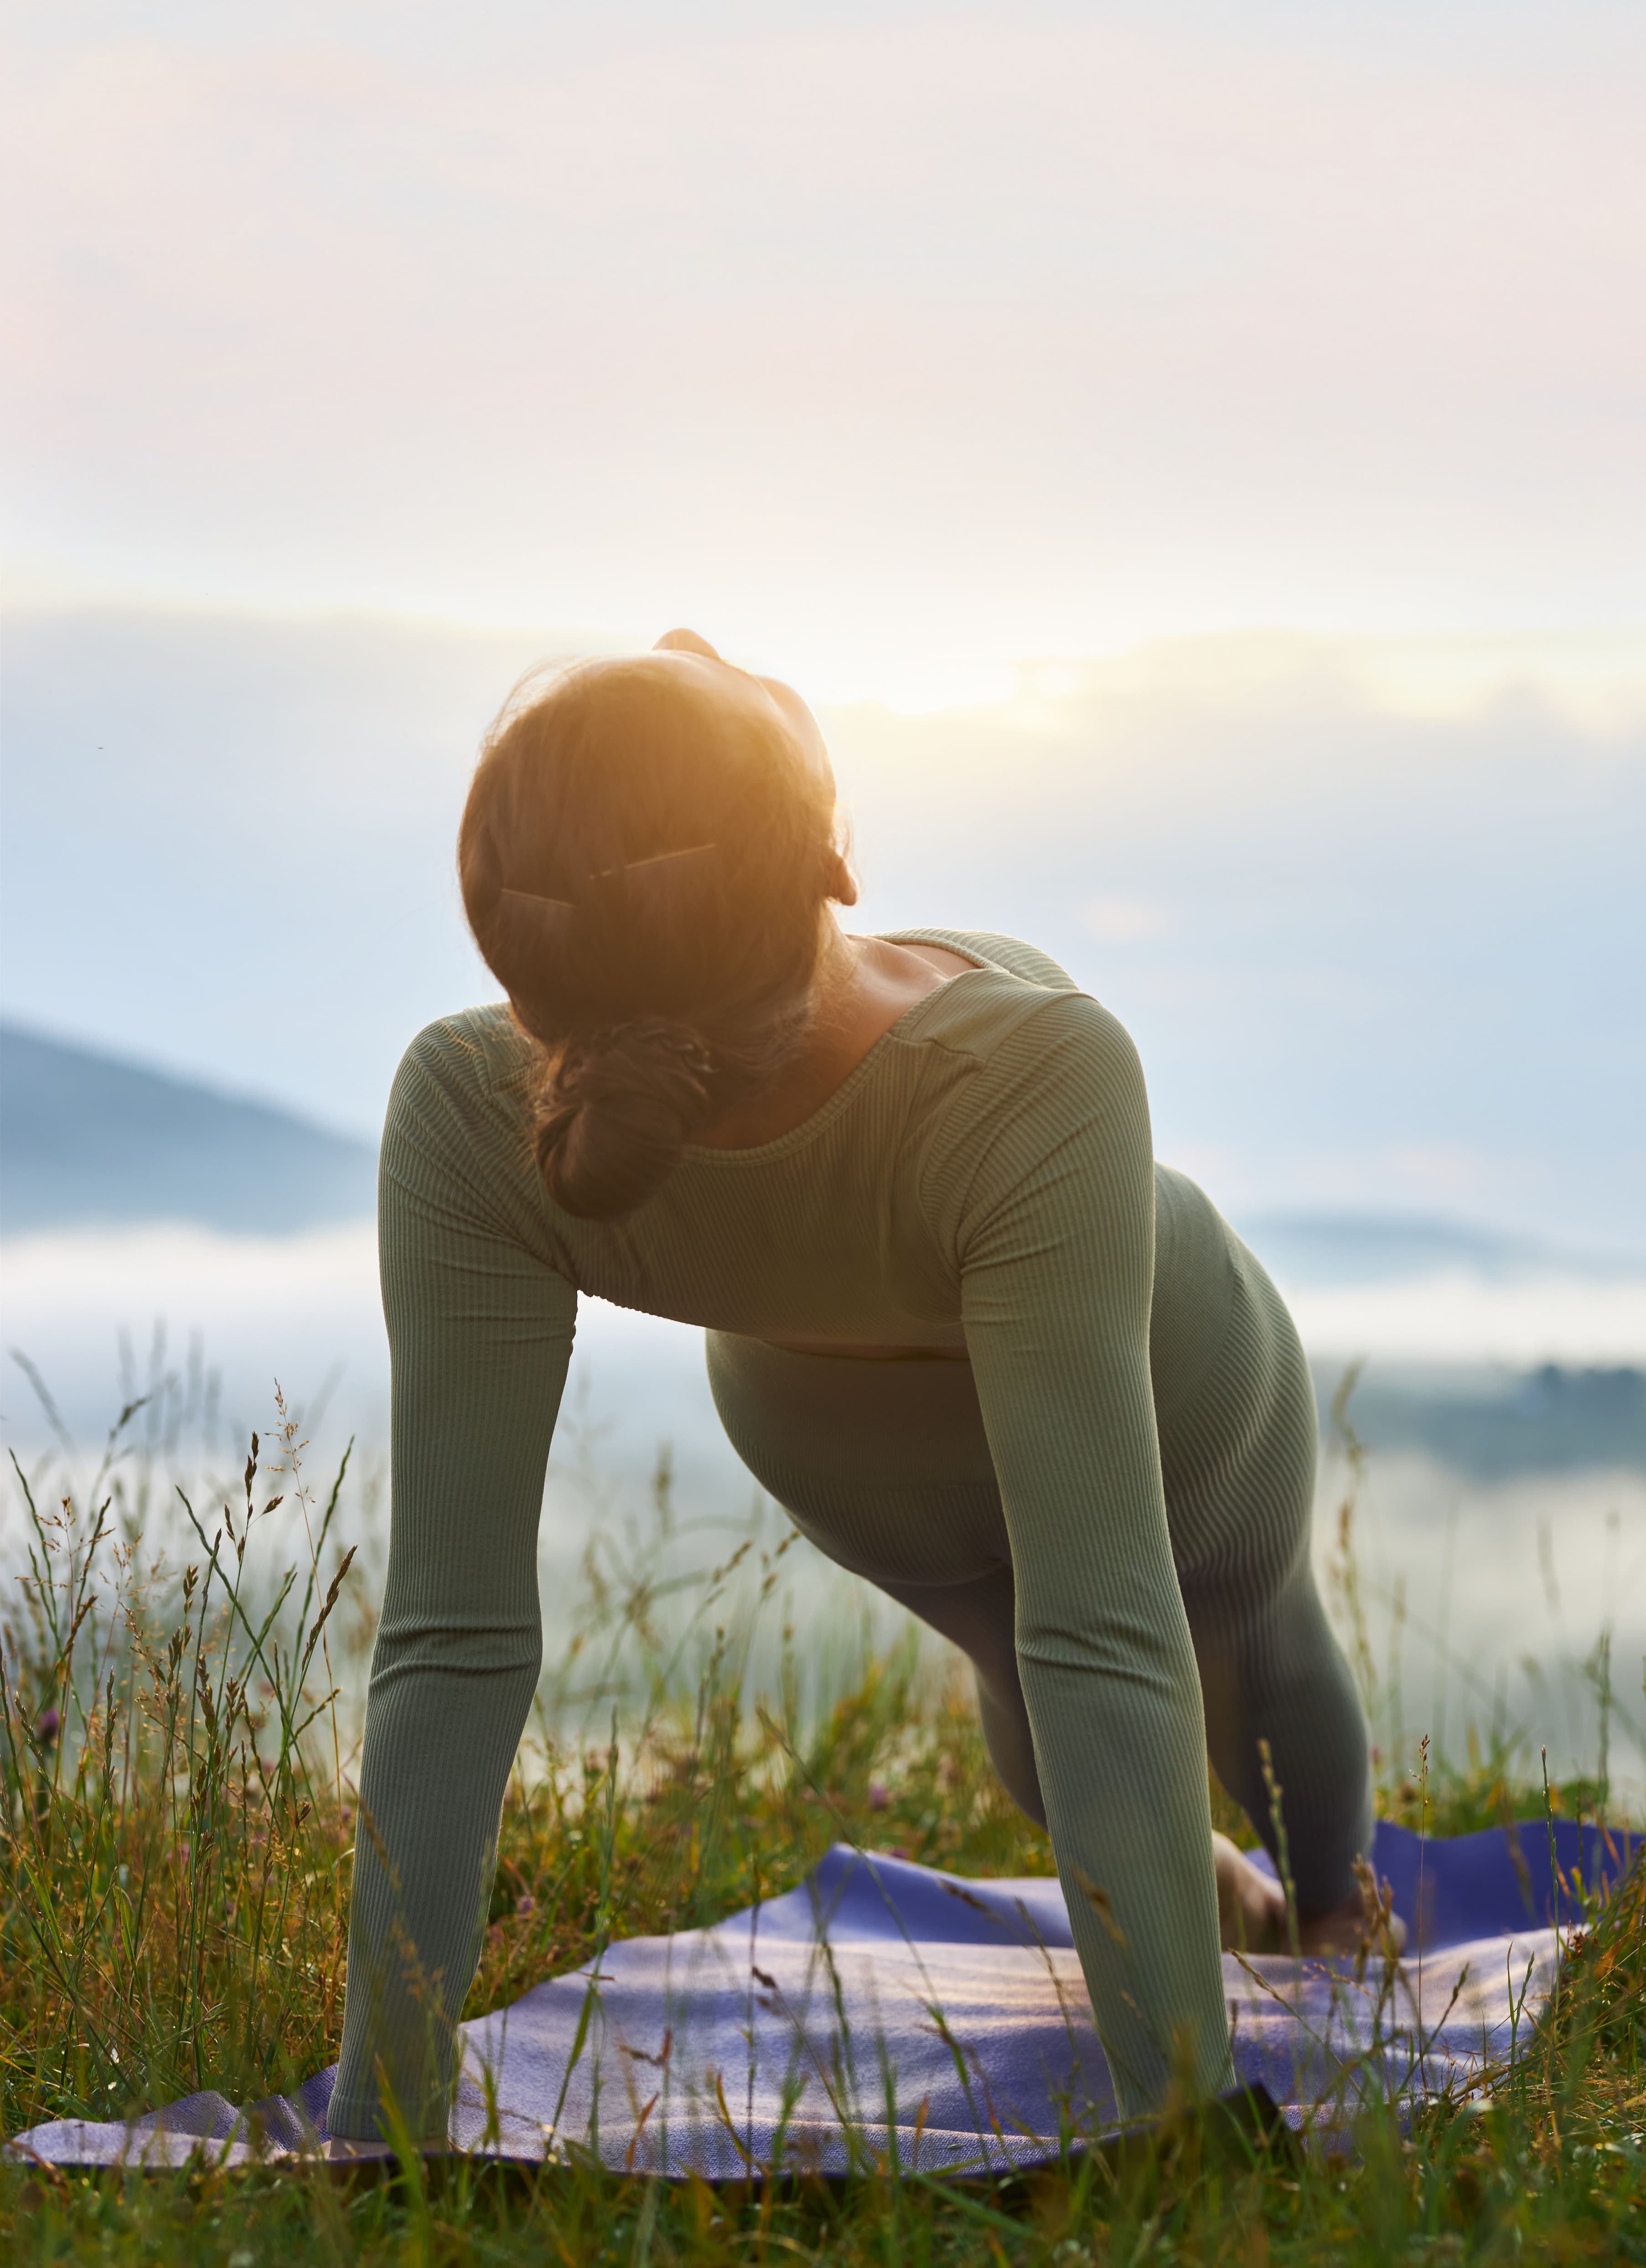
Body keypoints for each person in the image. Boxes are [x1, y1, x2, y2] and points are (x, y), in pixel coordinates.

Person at [325, 628, 1381, 2146]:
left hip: (1046, 1411)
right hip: (1037, 1418)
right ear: (833, 860)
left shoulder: (471, 1104)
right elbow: (1102, 1633)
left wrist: (380, 2127)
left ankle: (1310, 1908)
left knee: (1151, 1663)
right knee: (1111, 1681)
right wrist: (1183, 2129)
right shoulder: (1017, 1069)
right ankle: (1276, 1909)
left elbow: (449, 1639)